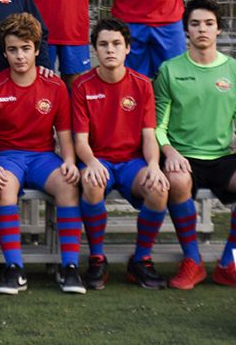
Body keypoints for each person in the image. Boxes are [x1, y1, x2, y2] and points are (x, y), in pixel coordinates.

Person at [155, 0, 236, 289]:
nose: (202, 29)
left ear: (219, 29)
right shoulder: (170, 70)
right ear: (187, 30)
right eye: (195, 24)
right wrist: (168, 151)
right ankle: (193, 261)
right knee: (178, 181)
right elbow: (157, 126)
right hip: (182, 157)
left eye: (208, 23)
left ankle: (228, 262)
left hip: (221, 157)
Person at [0, 13, 84, 295]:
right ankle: (14, 269)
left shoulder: (55, 87)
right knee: (4, 187)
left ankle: (69, 268)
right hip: (6, 157)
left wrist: (68, 161)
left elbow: (64, 134)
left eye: (26, 48)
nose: (20, 56)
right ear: (4, 52)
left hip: (42, 157)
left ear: (37, 50)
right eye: (13, 49)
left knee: (68, 183)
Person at [72, 17, 170, 290]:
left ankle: (141, 260)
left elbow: (149, 135)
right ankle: (97, 258)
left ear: (128, 48)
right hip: (99, 159)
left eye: (117, 43)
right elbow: (80, 140)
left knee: (159, 189)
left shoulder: (142, 85)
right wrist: (90, 162)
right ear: (95, 50)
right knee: (92, 183)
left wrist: (153, 165)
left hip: (132, 162)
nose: (110, 49)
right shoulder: (82, 85)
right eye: (103, 44)